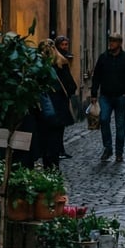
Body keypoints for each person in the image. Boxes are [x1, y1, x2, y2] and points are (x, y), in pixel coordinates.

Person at [90, 32, 125, 162]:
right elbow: (97, 76)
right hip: (105, 96)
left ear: (119, 43)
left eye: (114, 41)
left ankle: (119, 152)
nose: (111, 43)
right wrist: (94, 93)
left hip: (120, 97)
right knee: (104, 120)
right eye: (110, 41)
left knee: (120, 125)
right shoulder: (103, 58)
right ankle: (108, 148)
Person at [36, 39, 77, 169]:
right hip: (59, 110)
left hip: (43, 110)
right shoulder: (62, 64)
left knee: (45, 141)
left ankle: (48, 167)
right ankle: (54, 170)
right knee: (55, 141)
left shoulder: (38, 67)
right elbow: (72, 87)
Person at [54, 35, 76, 158]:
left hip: (64, 95)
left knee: (61, 126)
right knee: (59, 125)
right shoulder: (59, 60)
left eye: (66, 44)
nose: (65, 47)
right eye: (62, 45)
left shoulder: (64, 59)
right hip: (60, 96)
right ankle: (58, 149)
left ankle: (60, 149)